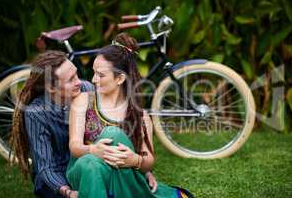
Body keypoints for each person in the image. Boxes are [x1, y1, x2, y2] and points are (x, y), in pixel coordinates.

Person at [11, 50, 157, 198]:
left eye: (76, 74)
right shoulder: (36, 113)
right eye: (70, 80)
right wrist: (69, 193)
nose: (79, 82)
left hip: (96, 162)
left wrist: (142, 168)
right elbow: (45, 167)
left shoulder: (86, 89)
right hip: (57, 178)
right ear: (51, 87)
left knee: (97, 165)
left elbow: (117, 128)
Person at [67, 33, 185, 197]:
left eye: (101, 75)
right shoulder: (83, 101)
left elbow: (148, 159)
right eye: (94, 73)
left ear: (120, 78)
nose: (94, 79)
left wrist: (135, 161)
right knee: (92, 161)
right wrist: (93, 150)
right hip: (81, 171)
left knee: (96, 159)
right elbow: (74, 147)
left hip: (113, 171)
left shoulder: (140, 115)